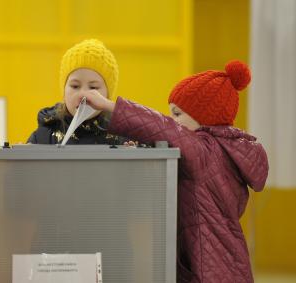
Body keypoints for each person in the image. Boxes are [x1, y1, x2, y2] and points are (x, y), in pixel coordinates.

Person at [76, 60, 269, 282]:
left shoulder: (204, 152)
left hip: (210, 270)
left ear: (203, 115)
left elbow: (163, 128)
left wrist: (108, 105)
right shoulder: (222, 151)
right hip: (225, 262)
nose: (173, 121)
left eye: (177, 114)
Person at [27, 38, 124, 145]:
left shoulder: (123, 134)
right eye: (75, 86)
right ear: (64, 91)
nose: (83, 94)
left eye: (93, 87)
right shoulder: (44, 135)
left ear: (107, 96)